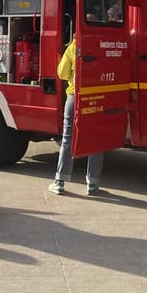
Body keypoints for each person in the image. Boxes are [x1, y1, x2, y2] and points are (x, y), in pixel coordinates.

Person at [49, 37, 104, 196]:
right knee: (96, 139)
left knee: (68, 138)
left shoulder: (74, 47)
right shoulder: (101, 45)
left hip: (75, 97)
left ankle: (59, 182)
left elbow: (62, 73)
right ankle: (93, 183)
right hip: (96, 97)